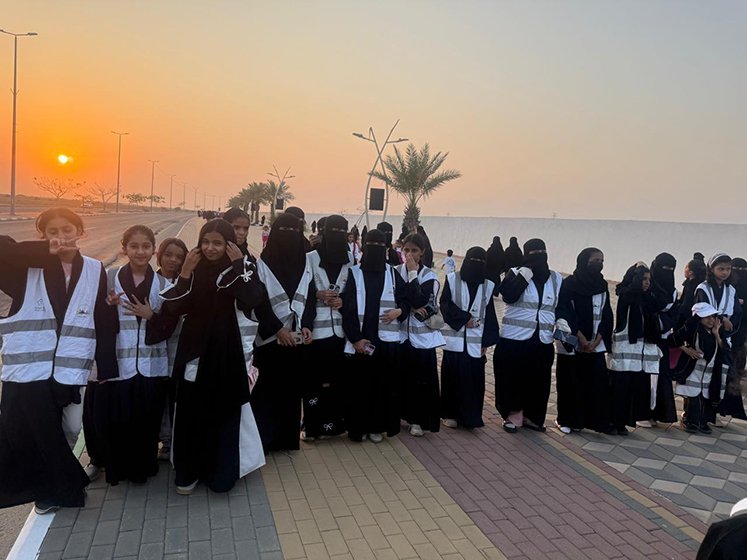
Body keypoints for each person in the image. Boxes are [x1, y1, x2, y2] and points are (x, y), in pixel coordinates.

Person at [0, 208, 116, 514]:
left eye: (67, 230)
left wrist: (105, 366)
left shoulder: (93, 269)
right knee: (37, 434)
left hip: (72, 368)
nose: (60, 237)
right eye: (52, 232)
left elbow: (101, 318)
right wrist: (42, 251)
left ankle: (60, 478)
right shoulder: (25, 269)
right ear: (42, 236)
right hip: (31, 372)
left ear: (80, 232)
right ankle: (52, 490)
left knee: (71, 428)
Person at [161, 219, 266, 494]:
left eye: (218, 243)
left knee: (224, 411)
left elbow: (253, 299)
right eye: (205, 242)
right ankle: (189, 471)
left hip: (226, 354)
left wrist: (239, 264)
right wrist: (185, 273)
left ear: (229, 245)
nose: (210, 248)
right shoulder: (193, 268)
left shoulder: (243, 268)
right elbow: (174, 308)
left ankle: (220, 471)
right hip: (194, 351)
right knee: (191, 410)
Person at [87, 225, 174, 486]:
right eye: (134, 246)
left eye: (146, 246)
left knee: (146, 422)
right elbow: (94, 318)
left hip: (151, 367)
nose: (140, 251)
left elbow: (170, 326)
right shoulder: (109, 278)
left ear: (153, 250)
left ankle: (143, 468)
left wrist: (152, 316)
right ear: (124, 248)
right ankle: (118, 468)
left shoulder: (163, 285)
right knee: (119, 421)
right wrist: (107, 305)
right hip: (119, 366)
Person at [252, 212, 316, 452]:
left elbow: (309, 298)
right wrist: (278, 329)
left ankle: (287, 440)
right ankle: (265, 441)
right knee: (266, 392)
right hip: (270, 340)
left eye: (294, 231)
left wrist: (307, 324)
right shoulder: (261, 265)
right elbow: (259, 303)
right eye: (284, 230)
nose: (289, 236)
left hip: (295, 339)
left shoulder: (305, 264)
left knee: (290, 392)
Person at [341, 229, 409, 443]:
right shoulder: (354, 273)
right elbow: (348, 310)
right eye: (371, 244)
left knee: (383, 388)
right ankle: (358, 428)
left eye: (380, 245)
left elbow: (407, 300)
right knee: (359, 388)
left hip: (387, 344)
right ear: (364, 246)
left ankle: (377, 427)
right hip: (362, 342)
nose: (376, 249)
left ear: (386, 248)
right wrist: (355, 339)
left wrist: (399, 311)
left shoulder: (392, 274)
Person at [495, 238, 561, 433]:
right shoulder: (515, 273)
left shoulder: (555, 278)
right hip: (515, 338)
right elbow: (508, 296)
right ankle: (512, 415)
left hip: (542, 339)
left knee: (538, 380)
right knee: (513, 378)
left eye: (542, 252)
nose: (539, 256)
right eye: (534, 253)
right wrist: (524, 276)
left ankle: (532, 416)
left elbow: (560, 304)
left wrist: (562, 322)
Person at [554, 248, 614, 434]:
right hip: (571, 342)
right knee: (569, 382)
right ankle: (565, 419)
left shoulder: (602, 285)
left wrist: (597, 340)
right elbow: (564, 312)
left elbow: (606, 314)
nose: (599, 264)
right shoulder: (569, 284)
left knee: (595, 384)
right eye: (595, 260)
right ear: (583, 260)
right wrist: (580, 338)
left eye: (601, 261)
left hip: (595, 345)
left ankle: (588, 421)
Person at [303, 215, 350, 441]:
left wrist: (343, 301)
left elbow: (356, 292)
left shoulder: (351, 259)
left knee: (337, 381)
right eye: (334, 231)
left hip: (340, 333)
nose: (338, 236)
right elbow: (301, 290)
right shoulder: (310, 258)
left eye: (342, 232)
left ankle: (334, 426)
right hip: (316, 332)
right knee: (314, 381)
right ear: (324, 232)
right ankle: (311, 427)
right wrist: (317, 294)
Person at [440, 247, 499, 429]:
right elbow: (444, 304)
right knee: (452, 378)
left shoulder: (488, 285)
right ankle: (449, 414)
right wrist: (464, 319)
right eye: (474, 260)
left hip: (476, 342)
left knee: (473, 381)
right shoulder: (452, 279)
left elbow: (490, 313)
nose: (477, 265)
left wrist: (486, 342)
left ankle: (470, 418)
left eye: (481, 262)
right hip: (454, 340)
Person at [397, 233, 445, 437]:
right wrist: (407, 306)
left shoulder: (429, 276)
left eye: (414, 250)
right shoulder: (394, 271)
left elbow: (419, 300)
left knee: (421, 382)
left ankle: (418, 420)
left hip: (423, 339)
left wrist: (412, 274)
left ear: (422, 252)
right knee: (401, 379)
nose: (409, 254)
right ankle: (401, 415)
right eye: (406, 250)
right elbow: (396, 299)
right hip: (400, 336)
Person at [609, 263, 663, 435]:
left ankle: (623, 423)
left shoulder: (648, 298)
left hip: (638, 356)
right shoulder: (628, 295)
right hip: (624, 353)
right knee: (619, 390)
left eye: (649, 280)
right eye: (644, 279)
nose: (647, 283)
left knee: (631, 392)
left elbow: (661, 301)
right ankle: (613, 422)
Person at [695, 253, 743, 425]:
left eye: (727, 269)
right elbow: (701, 309)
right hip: (705, 337)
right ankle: (693, 415)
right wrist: (721, 319)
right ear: (712, 269)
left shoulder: (731, 290)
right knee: (701, 377)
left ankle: (711, 415)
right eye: (721, 268)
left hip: (723, 339)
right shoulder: (703, 288)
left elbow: (736, 314)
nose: (724, 272)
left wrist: (727, 327)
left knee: (718, 378)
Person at [635, 252, 679, 427]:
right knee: (645, 376)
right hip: (646, 338)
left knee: (661, 376)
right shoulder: (647, 286)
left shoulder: (672, 291)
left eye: (671, 269)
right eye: (664, 268)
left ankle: (659, 413)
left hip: (663, 339)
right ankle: (641, 413)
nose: (667, 272)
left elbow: (675, 313)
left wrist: (664, 324)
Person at [154, 237, 188, 461]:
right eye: (168, 255)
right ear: (160, 255)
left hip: (179, 351)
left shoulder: (187, 284)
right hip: (154, 352)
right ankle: (164, 440)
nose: (173, 260)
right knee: (159, 399)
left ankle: (173, 441)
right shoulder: (150, 282)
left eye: (179, 257)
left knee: (175, 398)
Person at [672, 303, 729, 434]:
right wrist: (686, 349)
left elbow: (725, 350)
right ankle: (688, 419)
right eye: (706, 317)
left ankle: (701, 421)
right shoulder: (693, 330)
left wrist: (716, 334)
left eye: (713, 317)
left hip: (709, 376)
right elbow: (673, 338)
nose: (711, 320)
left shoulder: (717, 331)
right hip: (692, 373)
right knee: (693, 399)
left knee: (706, 400)